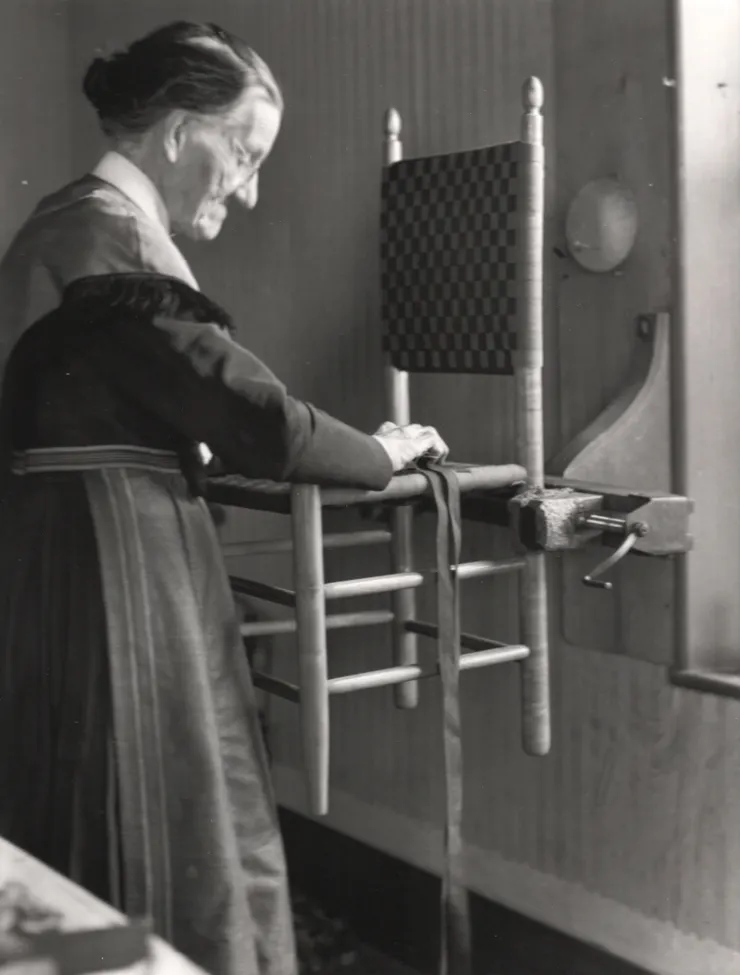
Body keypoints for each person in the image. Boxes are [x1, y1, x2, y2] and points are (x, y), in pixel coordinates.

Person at [0, 21, 447, 975]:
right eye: (241, 155)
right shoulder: (108, 243)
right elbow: (263, 423)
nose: (248, 191)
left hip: (58, 554)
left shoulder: (60, 230)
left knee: (89, 803)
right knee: (157, 799)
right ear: (175, 134)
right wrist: (381, 451)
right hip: (122, 560)